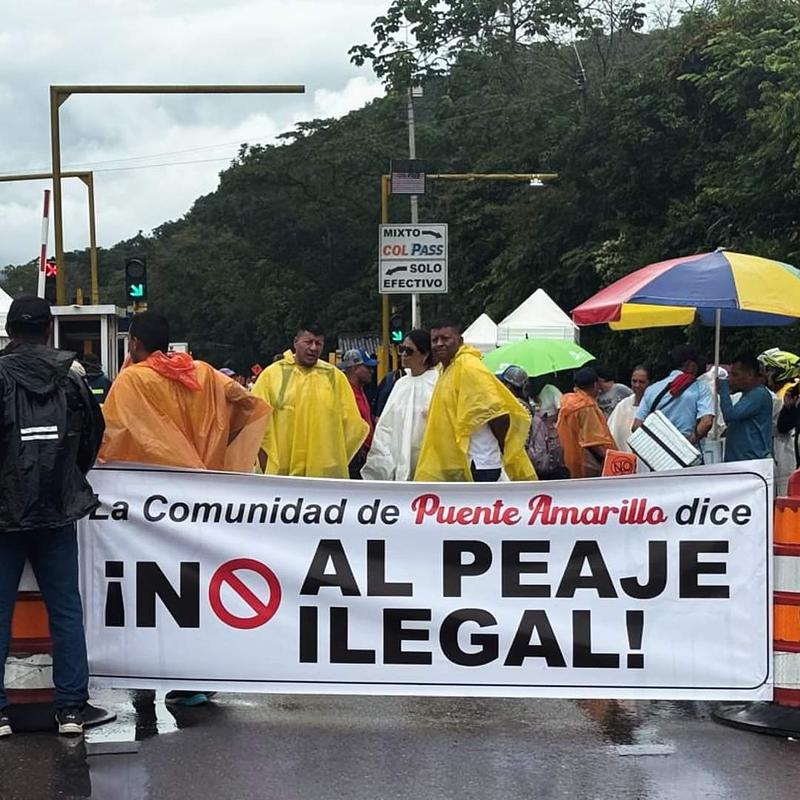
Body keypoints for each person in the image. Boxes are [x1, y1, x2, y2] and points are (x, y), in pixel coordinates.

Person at [0, 296, 105, 737]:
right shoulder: (72, 377)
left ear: (9, 329)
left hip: (3, 512)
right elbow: (93, 437)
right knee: (65, 608)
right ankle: (71, 709)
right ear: (48, 330)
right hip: (58, 511)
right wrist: (67, 479)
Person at [100, 311, 270, 472]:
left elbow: (109, 436)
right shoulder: (203, 372)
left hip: (152, 487)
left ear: (135, 343)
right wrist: (219, 442)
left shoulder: (131, 380)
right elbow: (249, 404)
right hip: (202, 485)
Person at [414, 320, 535, 482]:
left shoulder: (468, 366)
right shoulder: (447, 369)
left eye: (445, 338)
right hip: (462, 462)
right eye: (434, 340)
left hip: (479, 463)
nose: (439, 344)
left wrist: (502, 446)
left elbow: (498, 413)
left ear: (460, 341)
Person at [251, 324, 368, 477]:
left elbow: (352, 425)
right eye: (309, 342)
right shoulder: (272, 375)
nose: (313, 348)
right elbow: (256, 418)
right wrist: (265, 460)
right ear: (296, 342)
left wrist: (334, 459)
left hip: (322, 474)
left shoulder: (334, 377)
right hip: (280, 473)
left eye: (318, 343)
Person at [362, 330, 438, 481]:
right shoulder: (401, 384)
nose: (403, 355)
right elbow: (387, 425)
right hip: (397, 455)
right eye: (401, 349)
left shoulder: (436, 383)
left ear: (425, 355)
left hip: (427, 458)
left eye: (409, 351)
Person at [634, 345, 714, 444]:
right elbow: (707, 422)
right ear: (691, 365)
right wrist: (687, 443)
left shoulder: (652, 389)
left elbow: (636, 426)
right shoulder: (701, 388)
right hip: (687, 455)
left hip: (657, 454)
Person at [556, 367, 616, 478]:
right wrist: (611, 460)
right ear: (595, 384)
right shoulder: (585, 406)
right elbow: (593, 441)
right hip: (587, 463)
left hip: (568, 458)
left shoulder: (566, 401)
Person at [718, 354, 773, 463]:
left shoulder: (758, 394)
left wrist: (723, 389)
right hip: (743, 460)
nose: (731, 379)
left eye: (735, 375)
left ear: (750, 374)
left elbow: (730, 415)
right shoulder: (748, 394)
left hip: (752, 461)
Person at [759, 348, 800, 494]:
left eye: (771, 370)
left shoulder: (784, 394)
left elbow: (780, 427)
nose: (767, 374)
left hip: (787, 451)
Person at [340, 348, 377, 479]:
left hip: (363, 453)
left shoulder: (360, 390)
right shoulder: (344, 391)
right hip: (354, 455)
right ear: (355, 368)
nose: (371, 371)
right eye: (367, 367)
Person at [607, 366, 651, 451]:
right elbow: (612, 431)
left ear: (649, 383)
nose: (637, 385)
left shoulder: (653, 405)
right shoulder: (623, 406)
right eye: (634, 381)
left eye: (641, 382)